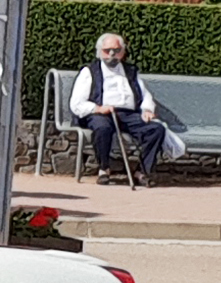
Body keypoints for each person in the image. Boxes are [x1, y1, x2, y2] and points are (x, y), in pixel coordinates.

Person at [69, 33, 168, 186]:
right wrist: (98, 108)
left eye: (116, 50)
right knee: (102, 128)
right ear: (100, 51)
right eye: (107, 50)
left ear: (123, 52)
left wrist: (147, 109)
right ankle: (104, 169)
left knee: (156, 129)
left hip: (128, 113)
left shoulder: (131, 71)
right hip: (100, 112)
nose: (112, 55)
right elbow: (77, 103)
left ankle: (142, 171)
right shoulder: (89, 72)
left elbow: (144, 94)